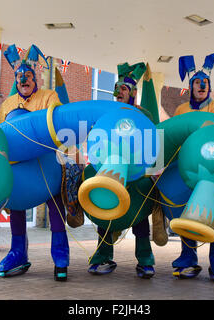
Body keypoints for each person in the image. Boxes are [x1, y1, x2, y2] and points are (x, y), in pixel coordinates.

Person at [0, 44, 71, 281]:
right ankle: (18, 252)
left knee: (56, 206)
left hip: (46, 165)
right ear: (15, 80)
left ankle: (61, 256)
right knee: (16, 207)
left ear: (34, 77)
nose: (23, 79)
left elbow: (58, 126)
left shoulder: (49, 97)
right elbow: (1, 134)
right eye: (19, 76)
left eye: (28, 76)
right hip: (19, 168)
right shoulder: (7, 104)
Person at [87, 62, 156, 279]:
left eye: (123, 88)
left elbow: (155, 139)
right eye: (116, 89)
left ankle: (145, 260)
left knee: (140, 218)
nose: (118, 92)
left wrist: (155, 169)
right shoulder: (106, 113)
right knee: (104, 213)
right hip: (111, 171)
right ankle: (102, 256)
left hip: (136, 176)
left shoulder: (142, 114)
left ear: (133, 93)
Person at [172, 53, 214, 282]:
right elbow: (174, 135)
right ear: (191, 86)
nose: (201, 85)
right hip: (188, 166)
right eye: (197, 82)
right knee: (189, 211)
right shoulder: (181, 109)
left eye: (204, 82)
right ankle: (188, 258)